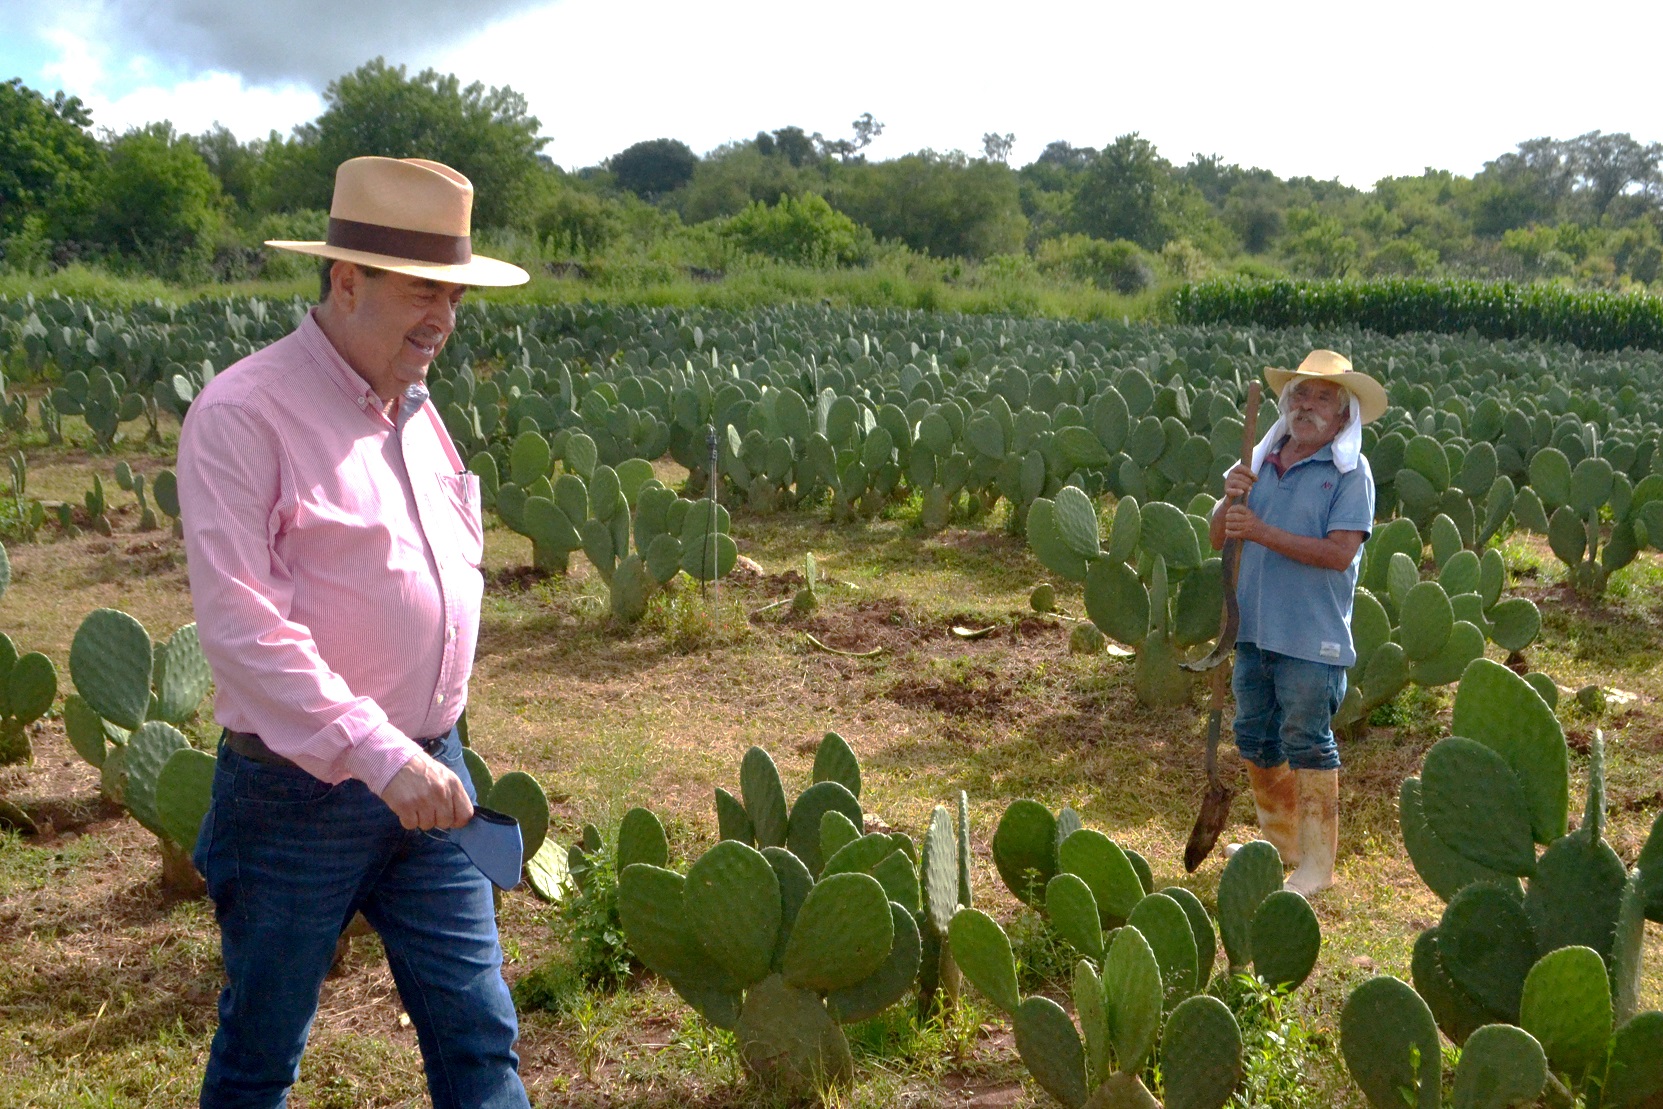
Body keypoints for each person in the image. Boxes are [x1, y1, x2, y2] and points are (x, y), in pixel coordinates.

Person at [177, 156, 532, 1108]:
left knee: (480, 1035)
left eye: (453, 296)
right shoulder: (244, 413)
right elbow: (242, 627)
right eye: (423, 292)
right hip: (295, 795)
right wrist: (380, 755)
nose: (443, 320)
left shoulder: (420, 412)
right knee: (263, 1050)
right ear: (346, 280)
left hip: (435, 771)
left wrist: (420, 748)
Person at [1208, 350, 1386, 897]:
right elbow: (1221, 536)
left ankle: (1317, 867)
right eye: (1300, 396)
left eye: (1322, 398)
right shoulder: (1259, 460)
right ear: (1287, 406)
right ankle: (1283, 845)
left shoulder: (1350, 472)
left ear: (1343, 414)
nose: (1307, 406)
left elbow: (1338, 555)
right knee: (1257, 737)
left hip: (1314, 636)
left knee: (1306, 739)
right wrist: (1229, 500)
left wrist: (1260, 531)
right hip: (1254, 627)